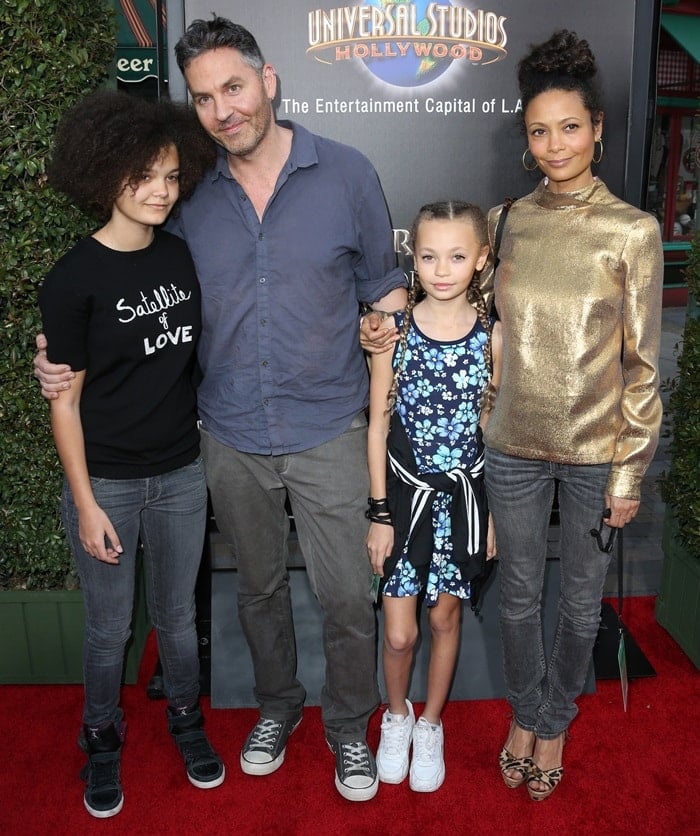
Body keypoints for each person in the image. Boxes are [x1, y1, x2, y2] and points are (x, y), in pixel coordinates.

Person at [35, 17, 407, 802]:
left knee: (346, 596)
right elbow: (126, 286)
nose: (221, 110)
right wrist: (60, 359)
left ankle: (347, 728)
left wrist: (388, 320)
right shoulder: (186, 192)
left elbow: (385, 284)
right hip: (228, 436)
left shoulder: (346, 174)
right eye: (202, 98)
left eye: (232, 88)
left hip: (330, 428)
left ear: (267, 81)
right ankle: (278, 708)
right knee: (258, 591)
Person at [482, 31, 663, 800]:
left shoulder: (633, 231)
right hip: (512, 449)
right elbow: (487, 335)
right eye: (539, 130)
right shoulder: (504, 221)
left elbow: (643, 366)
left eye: (569, 127)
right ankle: (526, 710)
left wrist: (629, 473)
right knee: (519, 595)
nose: (554, 144)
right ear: (526, 140)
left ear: (596, 130)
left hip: (597, 452)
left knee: (581, 603)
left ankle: (553, 721)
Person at [38, 90, 223, 818]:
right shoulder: (73, 278)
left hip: (181, 472)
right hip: (107, 483)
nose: (159, 190)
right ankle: (102, 739)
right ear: (106, 172)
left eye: (172, 176)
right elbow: (66, 400)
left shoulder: (180, 257)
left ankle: (186, 721)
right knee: (110, 628)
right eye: (144, 174)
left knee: (177, 620)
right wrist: (85, 504)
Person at [366, 201, 500, 793]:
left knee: (445, 616)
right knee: (400, 632)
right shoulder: (392, 333)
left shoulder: (494, 338)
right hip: (403, 500)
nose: (441, 269)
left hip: (463, 503)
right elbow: (376, 426)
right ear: (410, 258)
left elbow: (497, 432)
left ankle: (432, 724)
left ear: (481, 260)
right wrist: (378, 514)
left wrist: (489, 516)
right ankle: (396, 717)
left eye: (457, 256)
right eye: (427, 256)